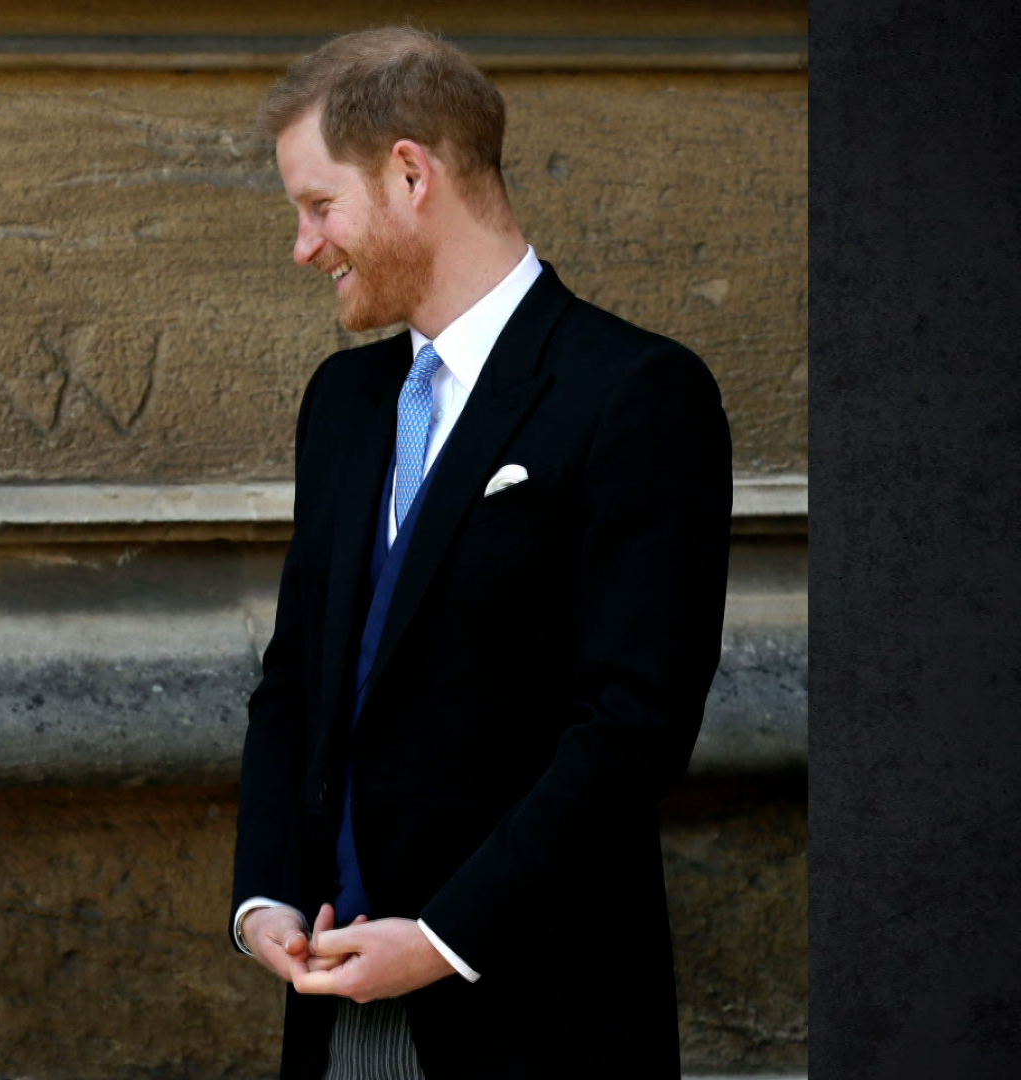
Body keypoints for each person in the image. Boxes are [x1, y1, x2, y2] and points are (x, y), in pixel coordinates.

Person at [229, 28, 731, 1079]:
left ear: (411, 173)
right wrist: (265, 895)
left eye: (319, 206)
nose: (305, 245)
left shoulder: (635, 394)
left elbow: (632, 727)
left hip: (534, 1018)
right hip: (333, 1018)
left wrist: (445, 940)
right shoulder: (344, 405)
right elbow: (295, 684)